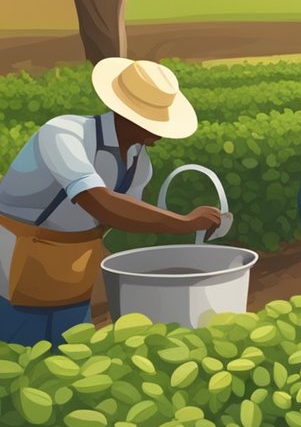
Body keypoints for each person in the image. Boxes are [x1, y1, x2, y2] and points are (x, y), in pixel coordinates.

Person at [0, 59, 222, 346]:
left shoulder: (139, 163)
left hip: (71, 275)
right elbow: (98, 201)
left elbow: (128, 217)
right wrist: (185, 223)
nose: (161, 132)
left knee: (71, 356)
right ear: (126, 114)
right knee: (14, 356)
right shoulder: (64, 134)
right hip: (13, 270)